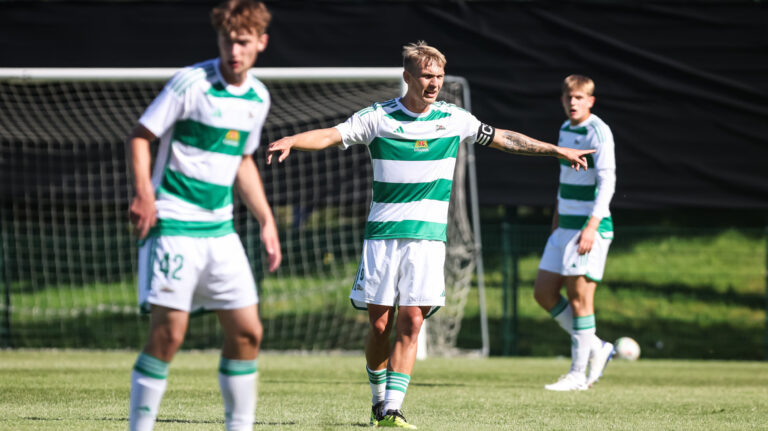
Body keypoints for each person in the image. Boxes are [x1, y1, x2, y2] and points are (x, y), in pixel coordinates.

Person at [266, 42, 594, 429]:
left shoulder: (454, 118)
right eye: (426, 75)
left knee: (412, 321)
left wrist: (554, 150)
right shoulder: (378, 117)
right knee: (379, 326)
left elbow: (505, 138)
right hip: (382, 238)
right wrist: (292, 140)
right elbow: (329, 135)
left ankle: (392, 409)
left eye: (438, 75)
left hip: (427, 240)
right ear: (408, 77)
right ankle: (377, 400)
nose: (434, 82)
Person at [126, 1, 281, 430]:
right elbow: (141, 137)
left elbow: (243, 161)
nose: (234, 50)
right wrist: (143, 194)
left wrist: (267, 221)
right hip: (173, 225)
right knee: (168, 336)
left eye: (244, 42)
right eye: (227, 41)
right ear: (219, 39)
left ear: (260, 44)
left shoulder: (258, 97)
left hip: (220, 232)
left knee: (248, 333)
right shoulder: (190, 84)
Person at [533, 74, 616, 391]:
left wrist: (592, 227)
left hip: (588, 227)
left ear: (590, 101)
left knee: (580, 299)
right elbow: (565, 179)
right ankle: (596, 345)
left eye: (579, 97)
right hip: (564, 226)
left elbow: (607, 181)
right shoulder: (565, 129)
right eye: (569, 96)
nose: (573, 102)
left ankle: (578, 374)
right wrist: (556, 217)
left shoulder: (599, 131)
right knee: (543, 292)